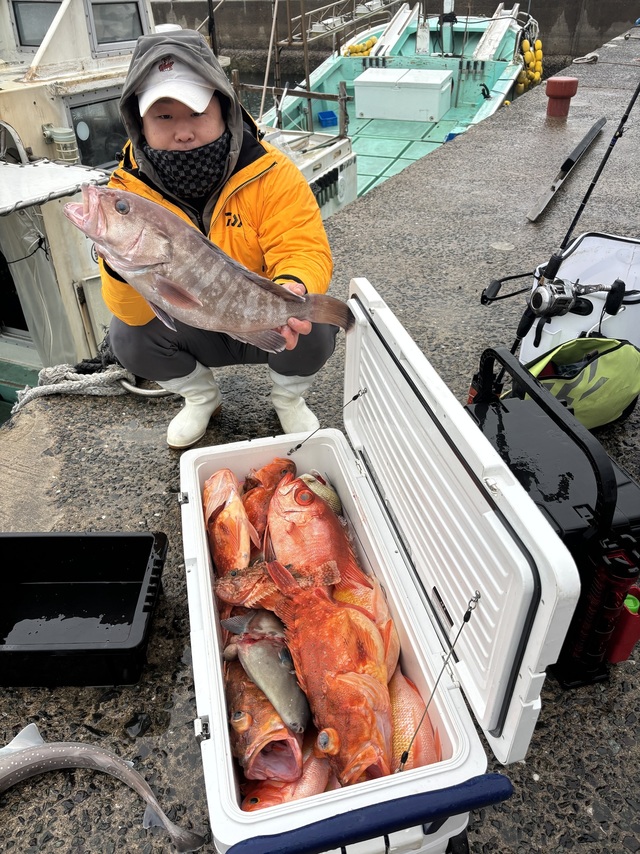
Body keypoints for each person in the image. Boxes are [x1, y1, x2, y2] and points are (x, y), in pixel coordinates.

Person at [100, 28, 338, 449]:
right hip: (190, 321)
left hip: (261, 319)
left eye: (196, 112)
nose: (183, 132)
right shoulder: (125, 193)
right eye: (163, 117)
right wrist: (118, 266)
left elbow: (301, 245)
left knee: (314, 317)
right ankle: (200, 398)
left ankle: (288, 398)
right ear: (139, 123)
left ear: (224, 110)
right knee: (127, 337)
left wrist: (292, 285)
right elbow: (134, 314)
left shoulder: (273, 171)